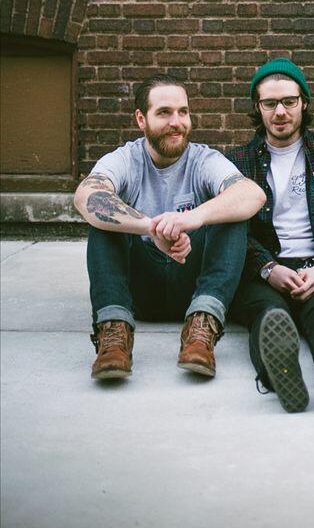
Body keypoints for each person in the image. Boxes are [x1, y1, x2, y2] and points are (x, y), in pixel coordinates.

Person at [74, 73, 265, 381]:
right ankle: (114, 335)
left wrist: (192, 219)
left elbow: (252, 194)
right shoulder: (126, 159)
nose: (176, 122)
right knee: (104, 218)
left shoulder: (203, 159)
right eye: (164, 112)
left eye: (183, 112)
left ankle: (202, 328)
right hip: (139, 289)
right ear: (141, 119)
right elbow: (87, 196)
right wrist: (152, 228)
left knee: (232, 213)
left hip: (193, 284)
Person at [226, 59, 314, 414]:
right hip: (263, 269)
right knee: (268, 315)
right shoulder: (237, 162)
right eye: (270, 103)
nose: (280, 112)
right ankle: (282, 379)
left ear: (304, 103)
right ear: (257, 107)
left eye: (289, 101)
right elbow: (234, 230)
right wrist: (268, 268)